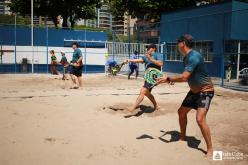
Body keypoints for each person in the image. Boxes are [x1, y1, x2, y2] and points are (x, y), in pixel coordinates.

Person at [156, 34, 214, 157]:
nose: (177, 44)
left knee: (200, 119)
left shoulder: (193, 57)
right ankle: (182, 138)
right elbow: (188, 76)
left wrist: (168, 79)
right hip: (194, 92)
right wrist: (172, 80)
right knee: (181, 112)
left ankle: (210, 149)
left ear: (183, 43)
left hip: (206, 91)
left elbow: (184, 77)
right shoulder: (186, 57)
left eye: (178, 42)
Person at [124, 44, 163, 112]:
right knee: (147, 93)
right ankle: (156, 106)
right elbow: (139, 60)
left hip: (153, 77)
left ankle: (132, 107)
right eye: (147, 48)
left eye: (149, 48)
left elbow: (160, 64)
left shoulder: (158, 54)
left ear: (153, 48)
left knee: (143, 91)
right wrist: (129, 60)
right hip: (147, 77)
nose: (147, 50)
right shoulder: (146, 56)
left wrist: (150, 58)